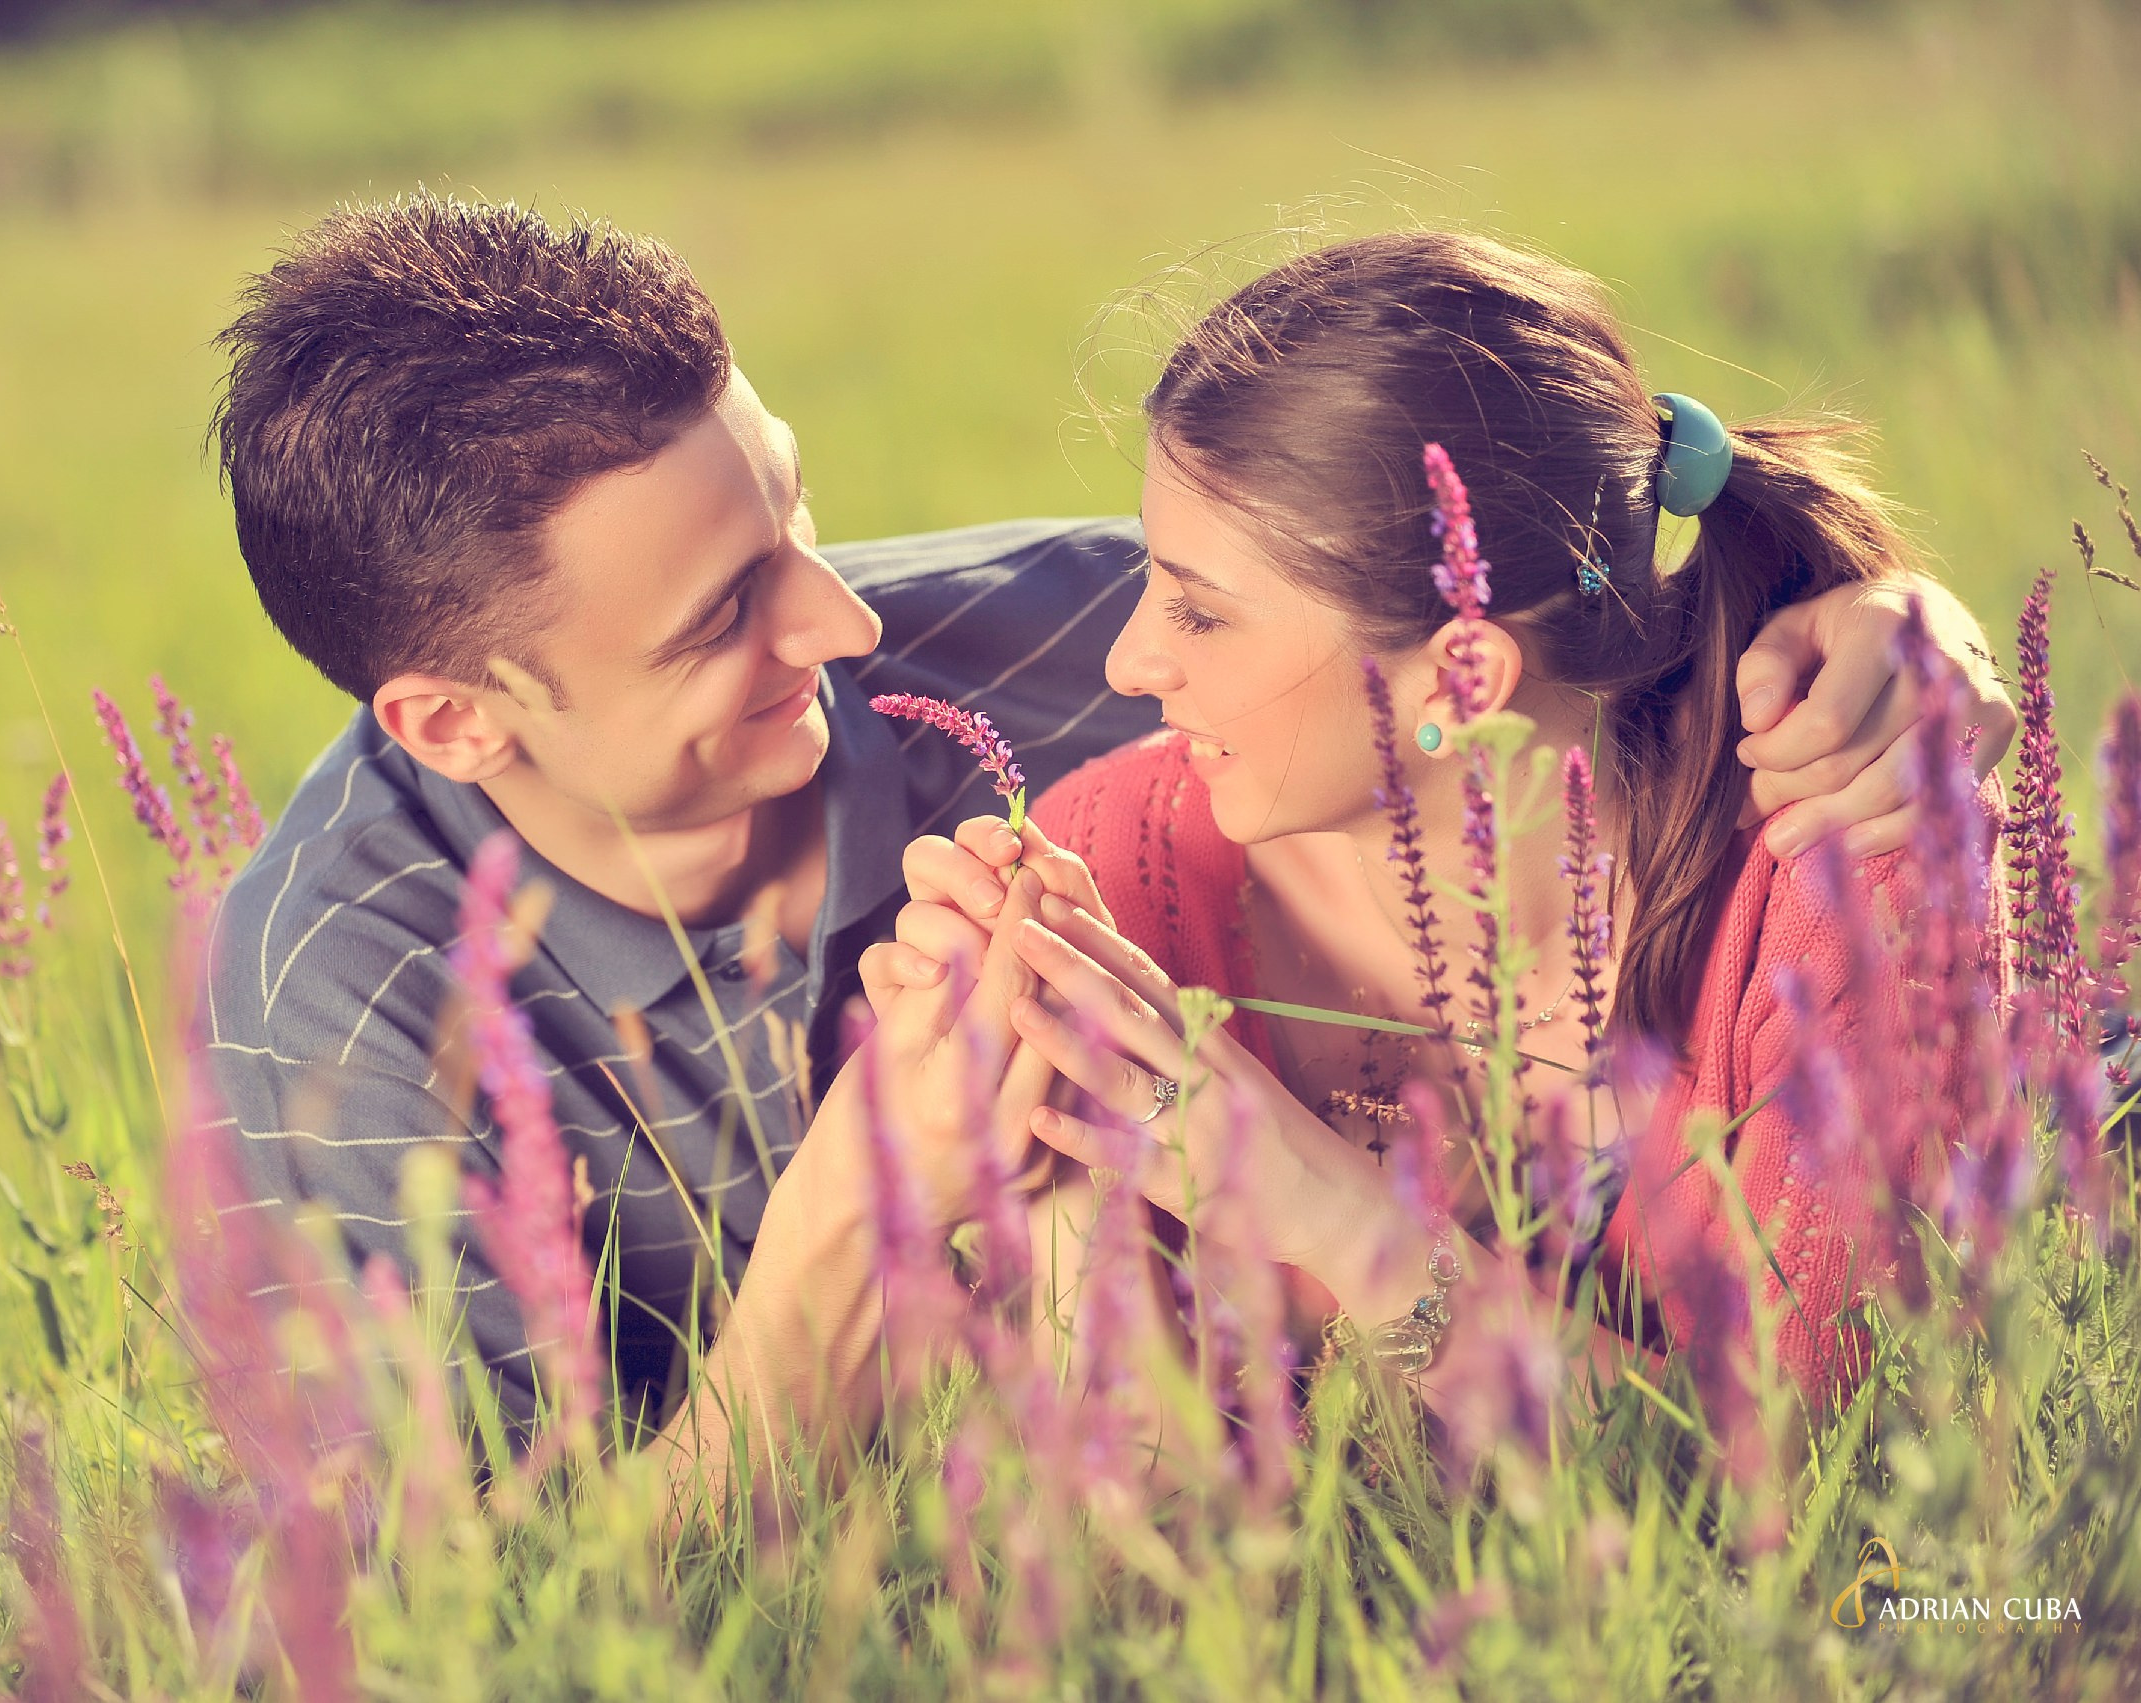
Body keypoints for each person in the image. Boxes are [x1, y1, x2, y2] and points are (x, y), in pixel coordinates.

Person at [201, 195, 2010, 1474]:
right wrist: (839, 1261)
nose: (847, 626)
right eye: (719, 617)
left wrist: (1894, 626)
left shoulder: (1070, 635)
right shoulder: (340, 1014)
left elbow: (1504, 557)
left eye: (796, 515)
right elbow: (490, 1630)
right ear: (455, 720)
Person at [884, 230, 1998, 1427]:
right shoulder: (1114, 872)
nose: (1126, 660)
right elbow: (1105, 1506)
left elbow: (1815, 1462)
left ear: (1461, 678)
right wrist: (996, 1156)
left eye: (1200, 615)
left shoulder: (1838, 872)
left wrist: (1338, 1224)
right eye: (1153, 583)